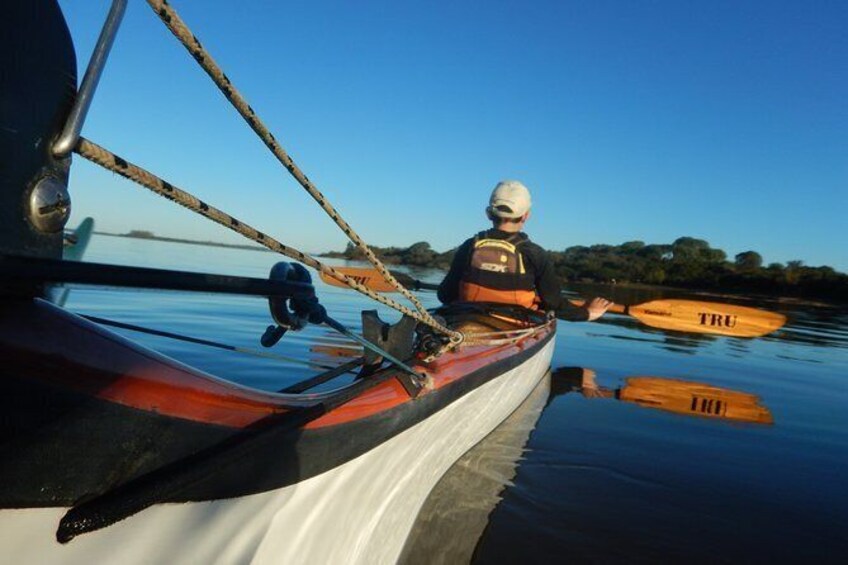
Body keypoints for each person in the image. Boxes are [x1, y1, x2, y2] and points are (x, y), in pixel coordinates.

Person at [437, 180, 612, 321]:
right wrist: (587, 313)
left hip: (465, 319)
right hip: (515, 324)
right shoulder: (535, 253)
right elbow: (554, 303)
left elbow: (445, 294)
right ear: (526, 216)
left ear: (489, 214)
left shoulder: (469, 246)